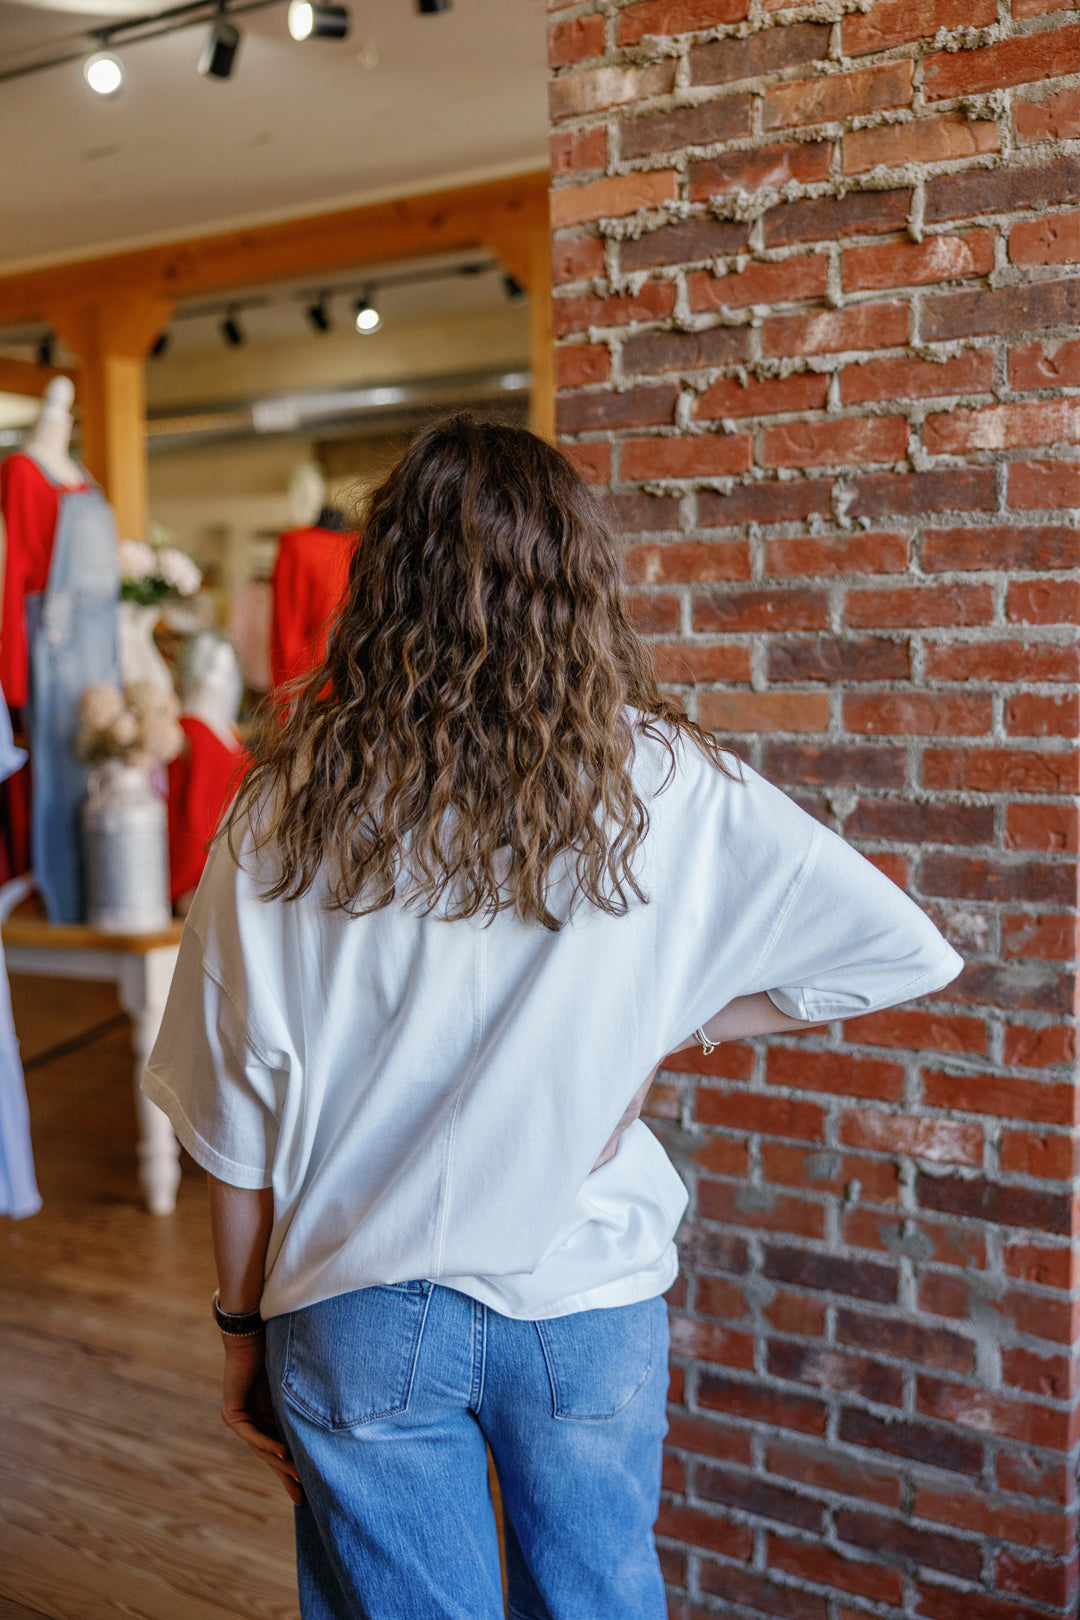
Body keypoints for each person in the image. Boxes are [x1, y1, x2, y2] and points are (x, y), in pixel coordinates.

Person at [142, 416, 962, 1620]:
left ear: (384, 583)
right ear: (580, 580)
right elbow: (901, 952)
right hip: (588, 1287)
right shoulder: (667, 784)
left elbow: (234, 1117)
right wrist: (664, 1025)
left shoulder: (284, 812)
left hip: (357, 1297)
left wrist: (239, 1331)